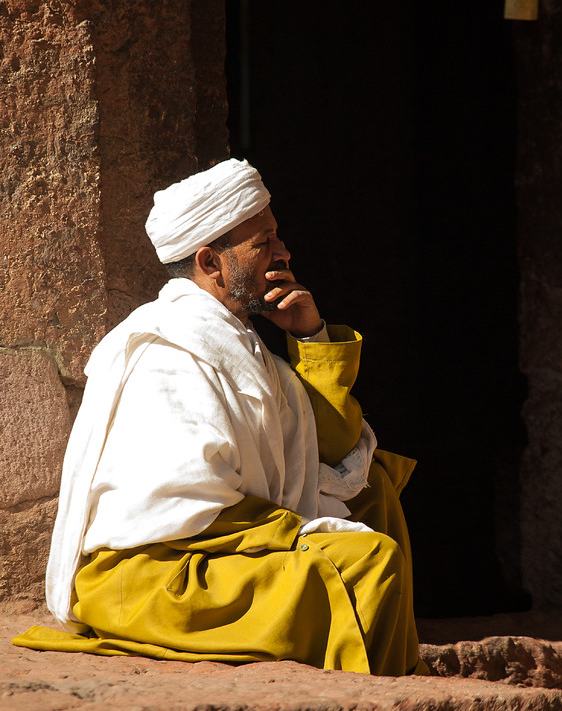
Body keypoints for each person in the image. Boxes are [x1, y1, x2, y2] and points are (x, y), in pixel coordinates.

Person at [13, 159, 426, 677]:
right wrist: (303, 529)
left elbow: (332, 444)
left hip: (208, 553)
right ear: (211, 262)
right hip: (155, 578)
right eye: (265, 242)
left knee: (375, 492)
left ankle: (385, 666)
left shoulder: (236, 341)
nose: (284, 253)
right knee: (365, 562)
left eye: (277, 237)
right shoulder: (170, 352)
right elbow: (188, 509)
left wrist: (310, 335)